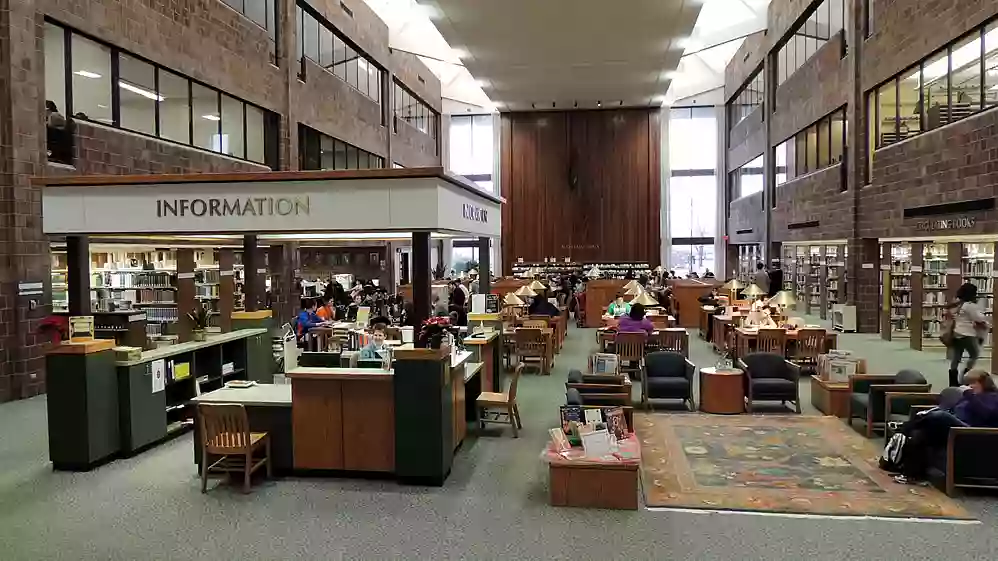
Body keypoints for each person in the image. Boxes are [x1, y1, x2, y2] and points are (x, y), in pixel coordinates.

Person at [893, 370, 998, 483]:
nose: (969, 387)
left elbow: (986, 413)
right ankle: (910, 474)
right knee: (923, 433)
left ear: (984, 383)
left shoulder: (992, 397)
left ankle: (904, 427)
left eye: (973, 383)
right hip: (954, 427)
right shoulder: (971, 397)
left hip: (970, 431)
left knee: (940, 415)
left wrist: (969, 395)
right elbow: (956, 409)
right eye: (967, 384)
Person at [946, 282, 989, 386]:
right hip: (967, 334)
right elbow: (978, 318)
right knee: (974, 354)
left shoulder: (959, 304)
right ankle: (966, 376)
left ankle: (953, 382)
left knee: (956, 357)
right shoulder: (970, 306)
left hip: (956, 333)